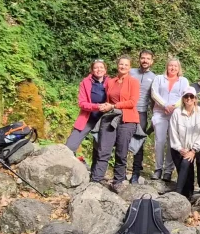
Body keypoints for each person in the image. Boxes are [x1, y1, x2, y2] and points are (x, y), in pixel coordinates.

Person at [92, 56, 140, 191]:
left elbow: (132, 102)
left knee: (121, 152)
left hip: (127, 119)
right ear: (117, 65)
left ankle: (118, 181)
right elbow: (107, 99)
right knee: (103, 150)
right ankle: (96, 180)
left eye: (126, 65)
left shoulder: (133, 82)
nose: (123, 66)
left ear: (130, 67)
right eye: (121, 64)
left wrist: (113, 106)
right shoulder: (111, 82)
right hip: (109, 118)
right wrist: (107, 107)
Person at [150, 58, 190, 181]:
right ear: (167, 67)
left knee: (172, 143)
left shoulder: (183, 81)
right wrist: (164, 105)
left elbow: (185, 95)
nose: (173, 68)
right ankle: (158, 169)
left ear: (179, 68)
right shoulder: (159, 78)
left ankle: (168, 171)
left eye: (175, 66)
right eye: (170, 66)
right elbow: (154, 93)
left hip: (176, 114)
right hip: (160, 113)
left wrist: (173, 106)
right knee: (160, 141)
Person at [65, 60, 110, 162]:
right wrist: (97, 107)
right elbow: (82, 103)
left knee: (100, 148)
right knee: (70, 145)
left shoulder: (111, 82)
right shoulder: (85, 82)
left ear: (105, 70)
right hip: (87, 118)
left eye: (101, 67)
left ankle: (95, 176)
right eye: (96, 68)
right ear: (92, 70)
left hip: (104, 119)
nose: (99, 70)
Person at [169, 87, 200, 198]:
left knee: (186, 164)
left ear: (195, 98)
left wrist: (193, 150)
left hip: (192, 148)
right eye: (186, 96)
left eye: (191, 96)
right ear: (183, 98)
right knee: (184, 170)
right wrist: (180, 148)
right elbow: (173, 132)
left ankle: (177, 193)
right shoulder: (177, 112)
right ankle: (187, 193)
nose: (189, 99)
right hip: (178, 148)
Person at [129, 50, 156, 184]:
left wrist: (154, 117)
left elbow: (153, 99)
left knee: (139, 141)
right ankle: (121, 170)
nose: (145, 60)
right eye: (143, 58)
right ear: (139, 59)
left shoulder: (154, 77)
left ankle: (135, 172)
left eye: (148, 59)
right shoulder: (131, 72)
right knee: (123, 139)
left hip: (142, 112)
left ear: (152, 61)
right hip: (127, 109)